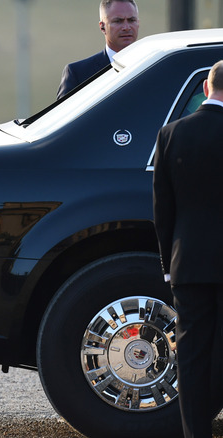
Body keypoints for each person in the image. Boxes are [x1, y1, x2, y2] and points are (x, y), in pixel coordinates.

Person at [153, 60, 223, 437]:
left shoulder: (170, 134)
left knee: (192, 357)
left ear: (207, 89)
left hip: (188, 262)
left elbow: (163, 210)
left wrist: (168, 264)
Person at [56, 0, 139, 99]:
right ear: (102, 27)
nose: (126, 27)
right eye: (118, 21)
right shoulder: (78, 74)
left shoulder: (155, 64)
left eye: (131, 20)